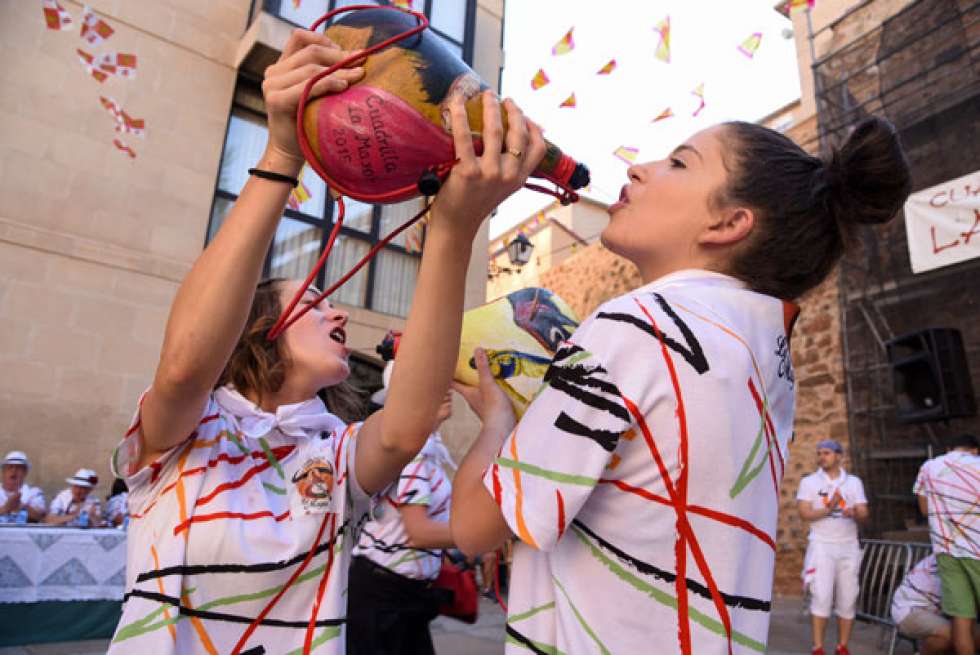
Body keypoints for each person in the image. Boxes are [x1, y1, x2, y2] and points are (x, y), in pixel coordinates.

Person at [106, 28, 546, 655]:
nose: (338, 316)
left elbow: (402, 428)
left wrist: (454, 228)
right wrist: (283, 151)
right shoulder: (186, 430)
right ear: (259, 332)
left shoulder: (332, 452)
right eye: (314, 303)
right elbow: (182, 369)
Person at [449, 116, 910, 654]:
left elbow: (474, 528)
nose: (638, 170)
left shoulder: (636, 323)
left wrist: (497, 423)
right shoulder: (764, 355)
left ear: (728, 223)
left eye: (678, 162)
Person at [347, 361, 456, 655]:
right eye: (432, 384)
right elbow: (419, 532)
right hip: (384, 595)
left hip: (397, 594)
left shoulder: (429, 448)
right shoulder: (418, 453)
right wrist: (485, 532)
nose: (446, 390)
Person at [796, 439, 870, 655]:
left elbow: (864, 513)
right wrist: (830, 509)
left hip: (848, 545)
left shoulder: (854, 482)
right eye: (819, 453)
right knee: (821, 596)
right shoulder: (809, 482)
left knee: (848, 597)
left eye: (826, 453)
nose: (822, 457)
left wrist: (854, 513)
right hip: (821, 545)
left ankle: (842, 646)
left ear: (839, 456)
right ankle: (818, 647)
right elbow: (805, 513)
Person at [915, 434, 980, 655]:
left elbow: (924, 510)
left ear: (951, 447)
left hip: (946, 551)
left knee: (961, 619)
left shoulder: (929, 467)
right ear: (974, 450)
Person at [890, 553, 980, 655]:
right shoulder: (954, 556)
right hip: (910, 609)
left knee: (965, 636)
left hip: (941, 612)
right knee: (958, 635)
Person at [0, 450, 46, 523]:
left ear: (25, 472)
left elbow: (40, 517)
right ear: (3, 471)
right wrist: (5, 508)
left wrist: (21, 506)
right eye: (10, 467)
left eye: (18, 468)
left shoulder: (34, 492)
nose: (14, 471)